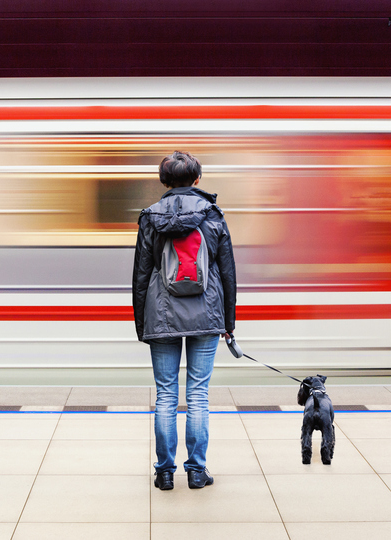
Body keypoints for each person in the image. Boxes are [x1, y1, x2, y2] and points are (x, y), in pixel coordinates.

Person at [132, 151, 236, 491]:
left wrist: (141, 324)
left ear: (164, 182)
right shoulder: (214, 215)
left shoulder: (149, 218)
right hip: (207, 314)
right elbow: (228, 274)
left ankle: (164, 472)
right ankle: (196, 470)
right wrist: (229, 322)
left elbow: (141, 275)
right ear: (197, 180)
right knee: (198, 394)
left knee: (165, 394)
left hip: (160, 315)